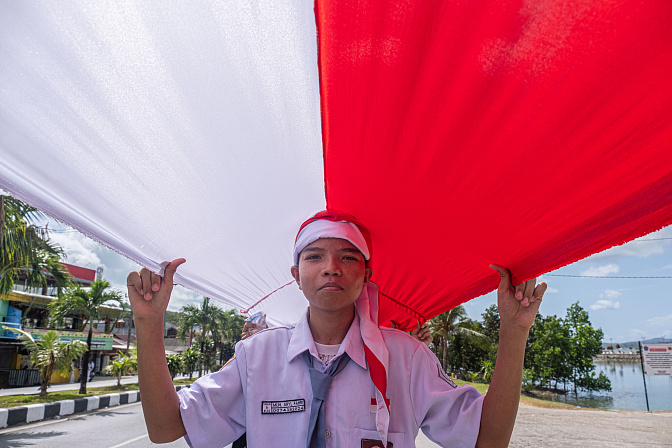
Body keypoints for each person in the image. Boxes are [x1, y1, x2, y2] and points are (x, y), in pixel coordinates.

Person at [127, 210, 546, 447]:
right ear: (296, 274)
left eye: (348, 257)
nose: (331, 267)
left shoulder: (406, 358)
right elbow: (166, 428)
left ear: (366, 274)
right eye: (315, 257)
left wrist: (514, 333)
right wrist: (149, 324)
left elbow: (487, 440)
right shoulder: (258, 357)